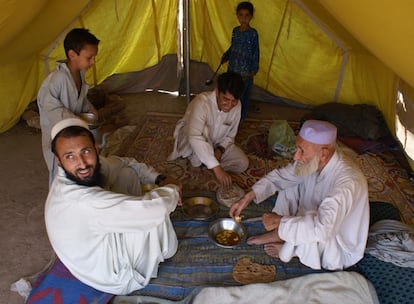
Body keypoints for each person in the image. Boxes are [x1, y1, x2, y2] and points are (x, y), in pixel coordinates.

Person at [45, 118, 181, 295]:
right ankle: (165, 248)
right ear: (58, 161)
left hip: (94, 242)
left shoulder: (91, 166)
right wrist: (172, 189)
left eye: (85, 151)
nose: (82, 163)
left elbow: (126, 163)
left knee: (126, 174)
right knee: (153, 214)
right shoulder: (81, 201)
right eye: (69, 156)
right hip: (113, 278)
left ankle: (138, 222)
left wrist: (159, 178)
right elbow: (156, 208)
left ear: (95, 147)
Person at [230, 120, 370, 270]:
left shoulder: (347, 183)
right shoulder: (316, 161)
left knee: (311, 224)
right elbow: (282, 177)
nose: (296, 156)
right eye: (297, 148)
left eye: (302, 151)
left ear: (324, 154)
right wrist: (248, 197)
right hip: (316, 218)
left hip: (335, 242)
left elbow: (322, 229)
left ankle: (291, 247)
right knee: (291, 180)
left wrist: (280, 221)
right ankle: (282, 233)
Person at [37, 28, 100, 186]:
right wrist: (76, 119)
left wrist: (90, 110)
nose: (93, 62)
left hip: (74, 132)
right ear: (72, 55)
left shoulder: (79, 74)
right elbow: (50, 108)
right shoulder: (57, 79)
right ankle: (60, 204)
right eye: (89, 57)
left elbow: (80, 99)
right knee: (60, 172)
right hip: (57, 135)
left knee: (80, 169)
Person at [168, 72, 248, 189]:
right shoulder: (202, 102)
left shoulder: (237, 106)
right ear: (217, 91)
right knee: (200, 144)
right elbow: (194, 136)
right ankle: (206, 163)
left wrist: (220, 150)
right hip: (192, 140)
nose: (229, 105)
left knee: (242, 163)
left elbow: (231, 136)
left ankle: (208, 162)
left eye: (234, 101)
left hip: (216, 143)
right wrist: (217, 168)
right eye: (225, 99)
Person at [221, 1, 259, 120]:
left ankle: (241, 117)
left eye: (246, 15)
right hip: (233, 69)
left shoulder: (253, 34)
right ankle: (231, 114)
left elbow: (255, 52)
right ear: (237, 16)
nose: (243, 18)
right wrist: (226, 56)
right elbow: (233, 47)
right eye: (241, 15)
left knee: (243, 95)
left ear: (251, 17)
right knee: (232, 92)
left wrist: (253, 69)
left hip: (246, 72)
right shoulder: (235, 31)